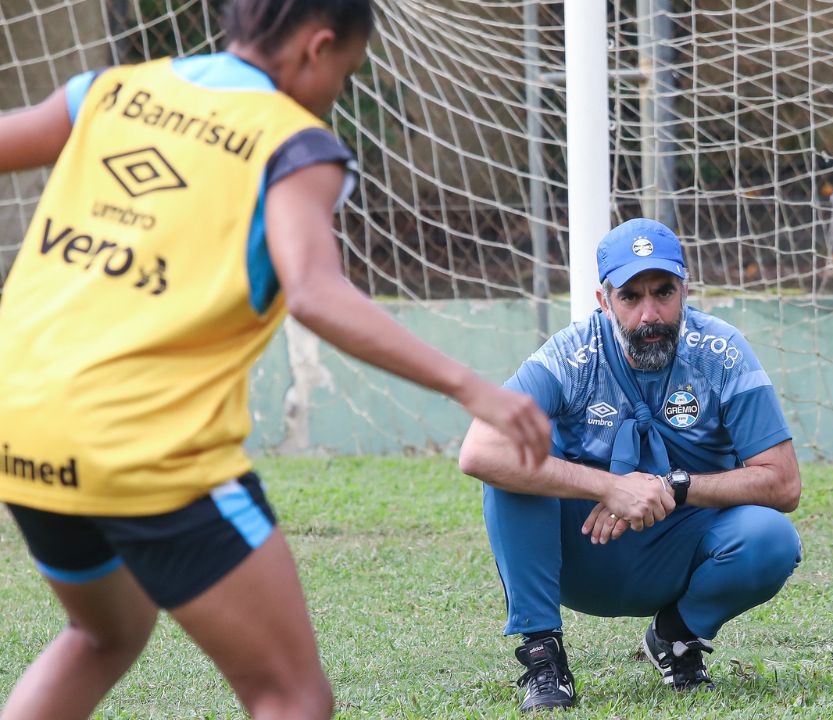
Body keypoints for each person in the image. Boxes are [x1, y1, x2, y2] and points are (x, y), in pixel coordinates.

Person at [0, 1, 550, 717]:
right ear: (318, 48)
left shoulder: (111, 90)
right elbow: (316, 294)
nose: (337, 94)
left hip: (21, 422)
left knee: (104, 633)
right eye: (347, 75)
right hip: (137, 442)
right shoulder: (293, 144)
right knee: (292, 695)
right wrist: (472, 387)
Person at [458, 218, 803, 712]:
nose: (650, 315)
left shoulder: (722, 352)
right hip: (584, 552)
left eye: (663, 293)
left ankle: (676, 637)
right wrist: (609, 487)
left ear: (685, 290)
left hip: (680, 549)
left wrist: (673, 486)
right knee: (512, 469)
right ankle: (543, 658)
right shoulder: (571, 354)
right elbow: (478, 451)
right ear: (604, 301)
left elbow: (784, 482)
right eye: (630, 297)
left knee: (773, 539)